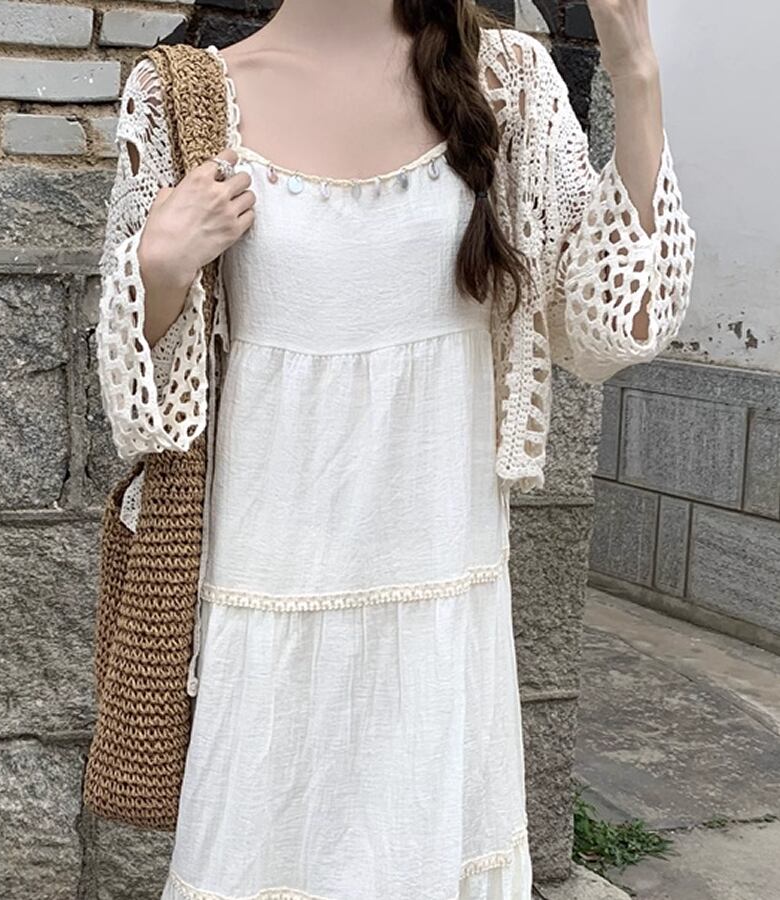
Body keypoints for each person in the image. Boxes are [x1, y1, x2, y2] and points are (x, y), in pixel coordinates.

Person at [94, 1, 695, 897]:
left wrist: (635, 75)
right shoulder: (184, 99)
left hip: (438, 586)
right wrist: (160, 266)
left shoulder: (507, 83)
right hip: (268, 590)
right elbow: (140, 403)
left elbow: (619, 325)